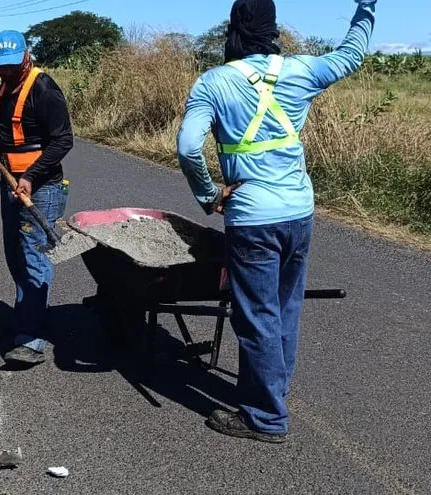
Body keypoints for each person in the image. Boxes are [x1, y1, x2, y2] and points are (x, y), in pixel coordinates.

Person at [176, 0, 377, 443]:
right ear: (273, 30)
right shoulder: (301, 70)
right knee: (286, 308)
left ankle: (265, 417)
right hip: (299, 213)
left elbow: (189, 146)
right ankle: (273, 392)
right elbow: (352, 53)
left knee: (257, 316)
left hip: (252, 219)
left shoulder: (213, 83)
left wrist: (210, 196)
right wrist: (366, 7)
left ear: (232, 30)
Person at [0, 30, 73, 366]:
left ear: (26, 55)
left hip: (42, 187)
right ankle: (29, 316)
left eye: (11, 65)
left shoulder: (45, 89)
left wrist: (31, 177)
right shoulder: (9, 82)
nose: (5, 72)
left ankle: (31, 339)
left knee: (33, 257)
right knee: (15, 255)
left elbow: (64, 142)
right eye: (0, 67)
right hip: (10, 182)